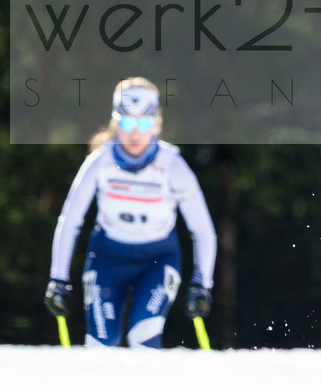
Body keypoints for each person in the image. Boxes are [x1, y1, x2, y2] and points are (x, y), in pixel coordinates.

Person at [44, 77, 217, 348]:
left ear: (157, 124)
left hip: (158, 261)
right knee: (101, 342)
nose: (135, 132)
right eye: (126, 122)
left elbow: (202, 230)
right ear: (115, 123)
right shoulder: (100, 161)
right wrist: (58, 278)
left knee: (143, 337)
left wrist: (201, 283)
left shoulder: (172, 165)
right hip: (107, 259)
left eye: (144, 123)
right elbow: (70, 221)